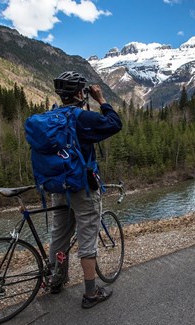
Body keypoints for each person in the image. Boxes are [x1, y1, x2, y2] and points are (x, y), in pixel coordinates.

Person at [48, 71, 123, 308]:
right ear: (81, 93)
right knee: (87, 237)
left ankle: (56, 281)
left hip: (59, 186)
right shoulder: (82, 117)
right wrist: (101, 100)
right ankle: (91, 294)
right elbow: (115, 123)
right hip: (83, 187)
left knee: (58, 236)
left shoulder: (51, 116)